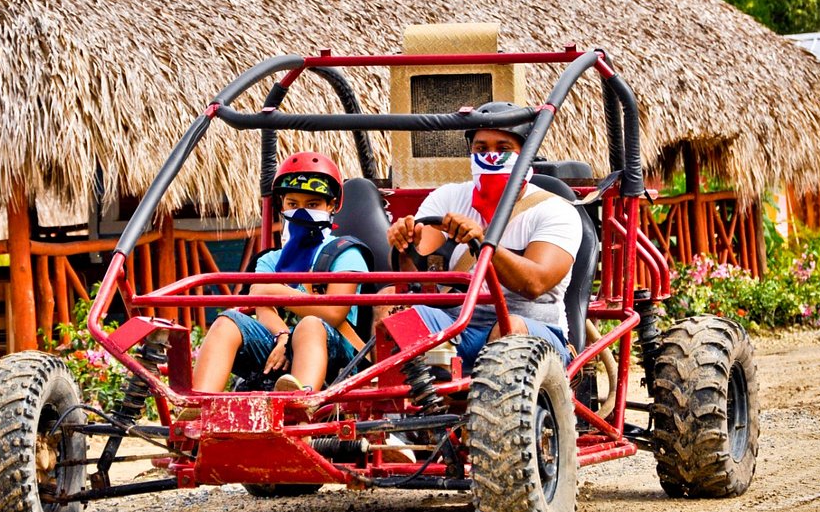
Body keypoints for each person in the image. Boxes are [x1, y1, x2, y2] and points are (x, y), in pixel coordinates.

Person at [386, 102, 582, 368]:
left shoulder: (555, 210)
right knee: (392, 311)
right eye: (481, 149)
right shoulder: (449, 196)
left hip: (531, 330)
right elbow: (416, 267)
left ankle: (485, 392)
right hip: (456, 324)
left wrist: (482, 243)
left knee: (509, 329)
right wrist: (406, 241)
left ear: (525, 154)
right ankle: (403, 393)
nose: (490, 157)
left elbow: (535, 283)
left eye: (503, 149)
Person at [192, 151, 369, 396]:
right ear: (282, 206)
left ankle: (301, 400)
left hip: (332, 347)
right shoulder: (270, 260)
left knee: (309, 325)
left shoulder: (344, 252)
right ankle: (201, 402)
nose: (302, 212)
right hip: (278, 342)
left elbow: (334, 313)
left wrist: (277, 291)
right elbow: (263, 306)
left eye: (313, 205)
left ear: (331, 205)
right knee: (226, 321)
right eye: (293, 205)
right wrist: (283, 336)